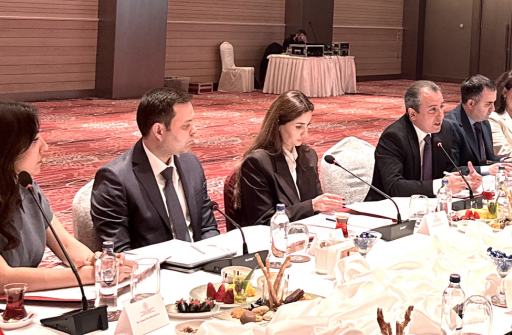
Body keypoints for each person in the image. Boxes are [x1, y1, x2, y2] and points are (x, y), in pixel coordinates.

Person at [0, 101, 130, 290]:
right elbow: (3, 278)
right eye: (34, 140)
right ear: (7, 147)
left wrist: (97, 261)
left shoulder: (25, 185)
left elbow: (66, 246)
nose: (45, 147)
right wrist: (89, 275)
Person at [91, 88, 219, 252]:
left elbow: (207, 227)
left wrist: (215, 256)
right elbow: (120, 252)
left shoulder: (191, 164)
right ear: (159, 131)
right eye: (186, 126)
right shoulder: (115, 179)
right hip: (154, 266)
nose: (194, 131)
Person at [226, 91, 344, 224]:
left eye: (307, 125)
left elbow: (316, 207)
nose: (305, 134)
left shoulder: (309, 156)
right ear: (278, 125)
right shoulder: (258, 163)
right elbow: (263, 220)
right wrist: (311, 206)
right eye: (299, 127)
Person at [368, 80, 483, 200]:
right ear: (412, 114)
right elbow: (394, 186)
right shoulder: (393, 137)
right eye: (433, 109)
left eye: (441, 106)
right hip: (389, 206)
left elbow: (448, 169)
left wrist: (465, 179)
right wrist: (440, 185)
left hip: (428, 205)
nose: (441, 115)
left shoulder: (444, 129)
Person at [445, 75, 508, 176]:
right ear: (471, 104)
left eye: (493, 103)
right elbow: (452, 169)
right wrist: (487, 170)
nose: (493, 109)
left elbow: (487, 159)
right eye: (488, 104)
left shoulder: (484, 121)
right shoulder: (450, 126)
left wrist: (505, 161)